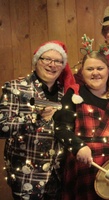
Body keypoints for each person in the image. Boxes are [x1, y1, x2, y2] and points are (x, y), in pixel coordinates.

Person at [53, 48, 109, 199]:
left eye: (100, 68)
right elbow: (61, 127)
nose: (95, 72)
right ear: (82, 72)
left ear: (108, 70)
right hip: (82, 165)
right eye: (90, 69)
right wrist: (78, 146)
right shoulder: (74, 94)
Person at [0, 41, 75, 199]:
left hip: (59, 175)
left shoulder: (67, 92)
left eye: (58, 61)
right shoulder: (16, 88)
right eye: (46, 59)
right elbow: (2, 127)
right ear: (36, 61)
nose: (52, 65)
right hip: (27, 177)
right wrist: (35, 118)